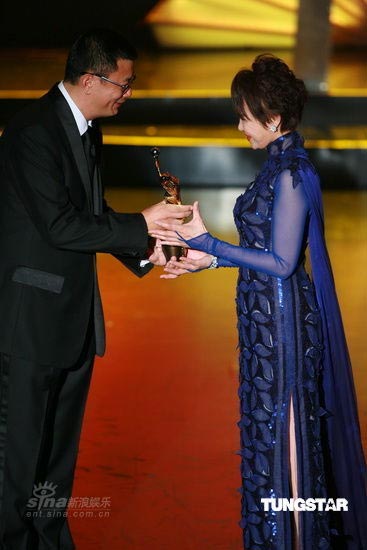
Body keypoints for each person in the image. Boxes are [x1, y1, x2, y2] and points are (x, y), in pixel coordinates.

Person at [151, 54, 367, 549]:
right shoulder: (276, 167)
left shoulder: (292, 174)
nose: (240, 125)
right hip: (263, 324)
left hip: (286, 328)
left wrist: (209, 243)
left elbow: (283, 263)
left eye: (246, 116)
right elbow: (263, 255)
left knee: (285, 447)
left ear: (272, 119)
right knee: (268, 439)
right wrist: (210, 261)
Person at [0, 28, 190, 549]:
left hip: (71, 319)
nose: (127, 95)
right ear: (91, 79)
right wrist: (142, 221)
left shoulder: (87, 130)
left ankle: (50, 539)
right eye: (123, 86)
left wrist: (153, 248)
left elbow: (92, 217)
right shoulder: (32, 132)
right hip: (30, 321)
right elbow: (60, 227)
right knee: (18, 458)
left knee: (57, 455)